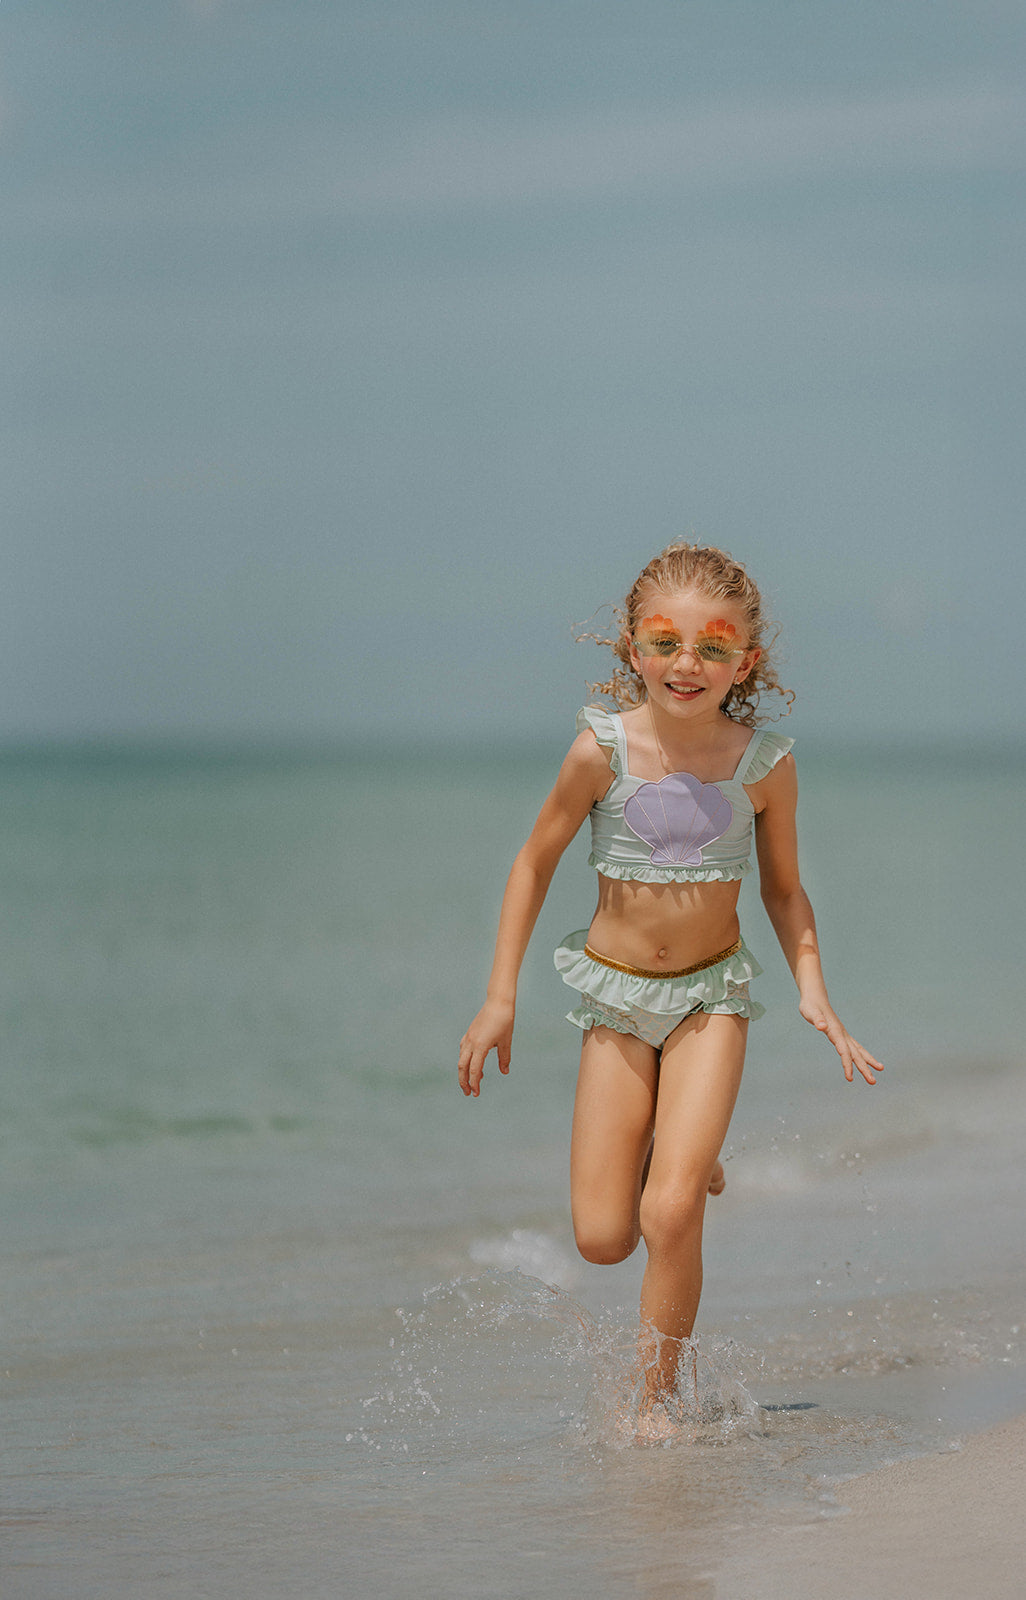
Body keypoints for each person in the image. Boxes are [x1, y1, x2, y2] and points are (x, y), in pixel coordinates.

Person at [457, 542, 881, 1433]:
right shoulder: (599, 751)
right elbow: (532, 864)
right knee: (605, 1238)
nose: (687, 664)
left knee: (671, 1209)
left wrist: (813, 987)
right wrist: (501, 996)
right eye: (666, 642)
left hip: (709, 999)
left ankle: (657, 1405)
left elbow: (783, 888)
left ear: (747, 662)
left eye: (713, 647)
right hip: (612, 1000)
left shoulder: (763, 764)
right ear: (631, 647)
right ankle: (675, 1147)